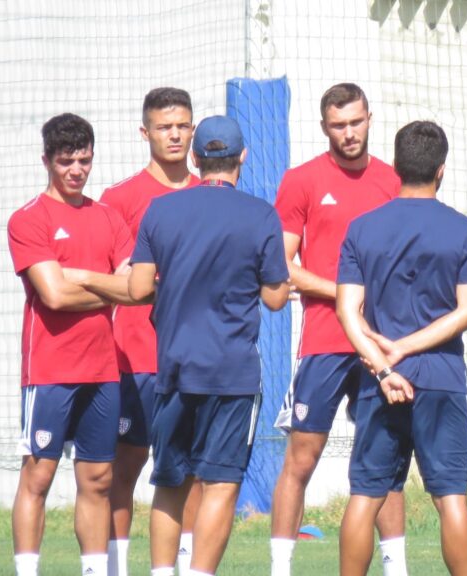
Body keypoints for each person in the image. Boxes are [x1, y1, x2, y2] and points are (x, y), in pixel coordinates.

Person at [128, 115, 289, 576]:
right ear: (242, 157)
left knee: (170, 482)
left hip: (176, 368)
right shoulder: (260, 215)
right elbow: (277, 298)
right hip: (233, 373)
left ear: (195, 159)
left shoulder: (159, 210)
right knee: (220, 483)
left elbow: (139, 288)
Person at [270, 82, 407, 576]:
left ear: (370, 118)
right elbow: (284, 266)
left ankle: (396, 566)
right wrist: (345, 294)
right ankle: (280, 567)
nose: (348, 133)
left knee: (385, 462)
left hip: (382, 343)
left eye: (355, 122)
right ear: (324, 126)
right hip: (326, 341)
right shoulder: (302, 180)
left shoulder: (394, 182)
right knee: (300, 459)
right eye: (338, 125)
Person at [337, 121, 467, 576]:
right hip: (440, 377)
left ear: (397, 166)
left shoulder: (361, 228)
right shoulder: (463, 229)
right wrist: (407, 349)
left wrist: (385, 363)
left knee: (366, 494)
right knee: (451, 496)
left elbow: (347, 312)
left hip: (380, 383)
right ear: (441, 170)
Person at [7, 113, 136, 576]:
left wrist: (80, 277)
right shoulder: (28, 219)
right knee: (38, 476)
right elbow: (54, 295)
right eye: (66, 162)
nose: (76, 170)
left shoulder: (108, 217)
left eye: (83, 160)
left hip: (103, 371)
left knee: (99, 479)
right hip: (50, 371)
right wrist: (104, 287)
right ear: (47, 161)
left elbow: (138, 288)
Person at [100, 87, 202, 576]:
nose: (175, 134)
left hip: (197, 359)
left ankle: (185, 566)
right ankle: (117, 567)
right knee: (126, 466)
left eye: (182, 124)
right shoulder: (119, 200)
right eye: (164, 126)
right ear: (145, 133)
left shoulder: (213, 195)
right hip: (135, 358)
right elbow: (113, 281)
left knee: (196, 472)